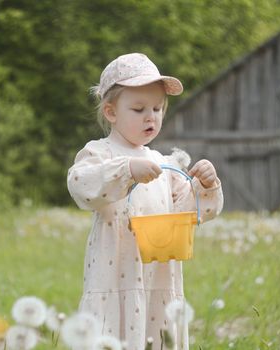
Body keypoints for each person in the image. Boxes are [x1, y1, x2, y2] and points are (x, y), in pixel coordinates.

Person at [67, 52, 224, 349]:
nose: (150, 116)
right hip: (115, 279)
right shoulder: (101, 154)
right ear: (111, 112)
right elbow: (81, 185)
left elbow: (194, 213)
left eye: (157, 108)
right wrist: (126, 169)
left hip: (158, 280)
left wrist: (205, 184)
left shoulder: (165, 164)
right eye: (139, 109)